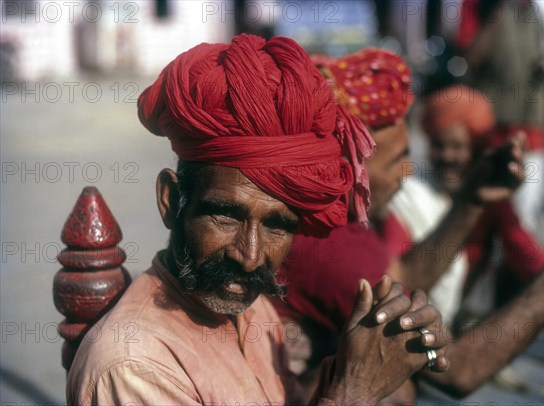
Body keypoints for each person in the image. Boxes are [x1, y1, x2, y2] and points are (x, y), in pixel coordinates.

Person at [66, 34, 449, 405]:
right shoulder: (135, 367)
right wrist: (353, 394)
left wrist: (357, 362)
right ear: (170, 201)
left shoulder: (251, 308)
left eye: (276, 226)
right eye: (225, 218)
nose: (250, 257)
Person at [273, 48, 544, 401]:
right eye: (398, 160)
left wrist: (473, 201)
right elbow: (455, 369)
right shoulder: (329, 238)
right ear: (351, 166)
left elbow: (409, 277)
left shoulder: (348, 224)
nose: (406, 172)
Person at [392, 84, 544, 374]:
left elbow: (526, 251)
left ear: (475, 152)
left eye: (458, 147)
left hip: (458, 316)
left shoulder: (489, 202)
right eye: (439, 145)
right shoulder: (411, 193)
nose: (447, 156)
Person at [456, 0, 544, 234]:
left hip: (532, 125)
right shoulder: (478, 6)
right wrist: (497, 12)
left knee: (525, 212)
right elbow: (470, 59)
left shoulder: (534, 10)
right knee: (486, 212)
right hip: (494, 125)